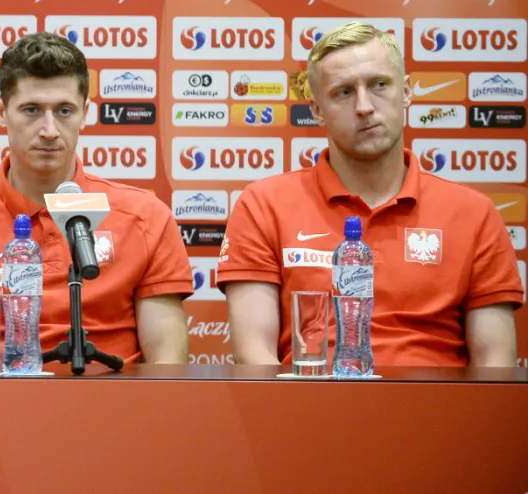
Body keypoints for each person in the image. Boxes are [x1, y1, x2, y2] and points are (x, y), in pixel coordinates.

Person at [221, 21, 522, 366]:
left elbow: (495, 366)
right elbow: (254, 356)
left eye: (379, 84)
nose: (364, 106)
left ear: (406, 92)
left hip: (438, 415)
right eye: (344, 92)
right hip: (309, 412)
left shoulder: (474, 214)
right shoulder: (264, 205)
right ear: (317, 110)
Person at [0, 32, 192, 364]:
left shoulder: (146, 216)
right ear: (0, 112)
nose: (49, 130)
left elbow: (167, 365)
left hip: (113, 408)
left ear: (85, 113)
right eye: (32, 110)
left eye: (64, 110)